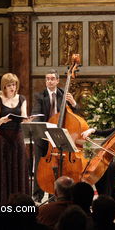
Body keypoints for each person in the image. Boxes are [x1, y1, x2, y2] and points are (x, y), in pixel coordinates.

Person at [31, 69, 78, 203]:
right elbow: (36, 115)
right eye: (47, 78)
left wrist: (73, 103)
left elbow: (75, 113)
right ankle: (37, 195)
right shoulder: (40, 96)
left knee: (59, 166)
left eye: (52, 78)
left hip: (59, 136)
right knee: (40, 166)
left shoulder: (64, 94)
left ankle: (56, 194)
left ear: (57, 81)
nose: (49, 81)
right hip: (44, 135)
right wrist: (41, 126)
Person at [0, 73, 30, 205]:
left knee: (18, 167)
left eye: (14, 84)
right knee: (3, 168)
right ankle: (3, 201)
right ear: (4, 87)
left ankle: (20, 202)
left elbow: (23, 117)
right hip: (2, 138)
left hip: (17, 136)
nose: (12, 87)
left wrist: (27, 119)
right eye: (9, 85)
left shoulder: (22, 98)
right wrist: (3, 119)